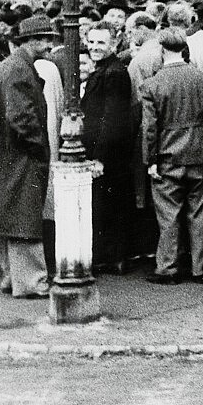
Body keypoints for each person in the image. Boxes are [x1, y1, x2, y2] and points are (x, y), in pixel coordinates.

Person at [0, 14, 60, 299]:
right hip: (20, 157)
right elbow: (21, 117)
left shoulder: (11, 65)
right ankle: (31, 282)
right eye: (45, 39)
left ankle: (11, 276)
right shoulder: (19, 69)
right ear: (32, 41)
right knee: (23, 217)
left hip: (6, 156)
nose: (49, 44)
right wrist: (40, 148)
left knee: (9, 217)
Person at [140, 27, 203, 284]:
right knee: (199, 211)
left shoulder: (152, 84)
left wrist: (150, 160)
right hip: (199, 152)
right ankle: (200, 268)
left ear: (162, 51)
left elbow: (149, 127)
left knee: (169, 214)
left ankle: (168, 268)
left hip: (167, 153)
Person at [81, 23, 137, 274]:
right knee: (106, 205)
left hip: (108, 152)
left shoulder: (113, 73)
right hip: (105, 149)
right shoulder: (105, 70)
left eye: (100, 43)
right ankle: (112, 256)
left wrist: (100, 158)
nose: (94, 47)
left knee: (109, 205)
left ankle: (114, 257)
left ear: (114, 45)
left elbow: (112, 117)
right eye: (91, 42)